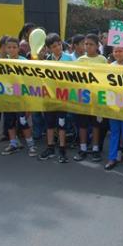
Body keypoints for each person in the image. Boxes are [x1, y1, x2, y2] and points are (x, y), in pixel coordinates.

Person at [38, 33, 74, 163]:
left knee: (62, 123)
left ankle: (62, 149)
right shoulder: (47, 60)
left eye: (59, 44)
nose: (58, 47)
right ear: (49, 48)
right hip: (49, 97)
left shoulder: (69, 58)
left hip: (63, 97)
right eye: (54, 46)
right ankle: (50, 147)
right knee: (49, 124)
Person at [0, 37, 38, 157]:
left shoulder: (23, 62)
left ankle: (31, 145)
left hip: (21, 98)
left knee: (22, 121)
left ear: (18, 48)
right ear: (5, 48)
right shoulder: (2, 62)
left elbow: (30, 79)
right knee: (9, 122)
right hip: (8, 97)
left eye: (14, 47)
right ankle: (13, 144)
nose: (11, 50)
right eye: (9, 47)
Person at [75, 33, 108, 162]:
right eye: (86, 44)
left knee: (96, 125)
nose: (88, 46)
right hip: (83, 98)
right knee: (82, 125)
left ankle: (95, 149)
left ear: (96, 46)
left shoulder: (102, 60)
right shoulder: (80, 60)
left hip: (97, 98)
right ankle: (82, 148)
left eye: (91, 44)